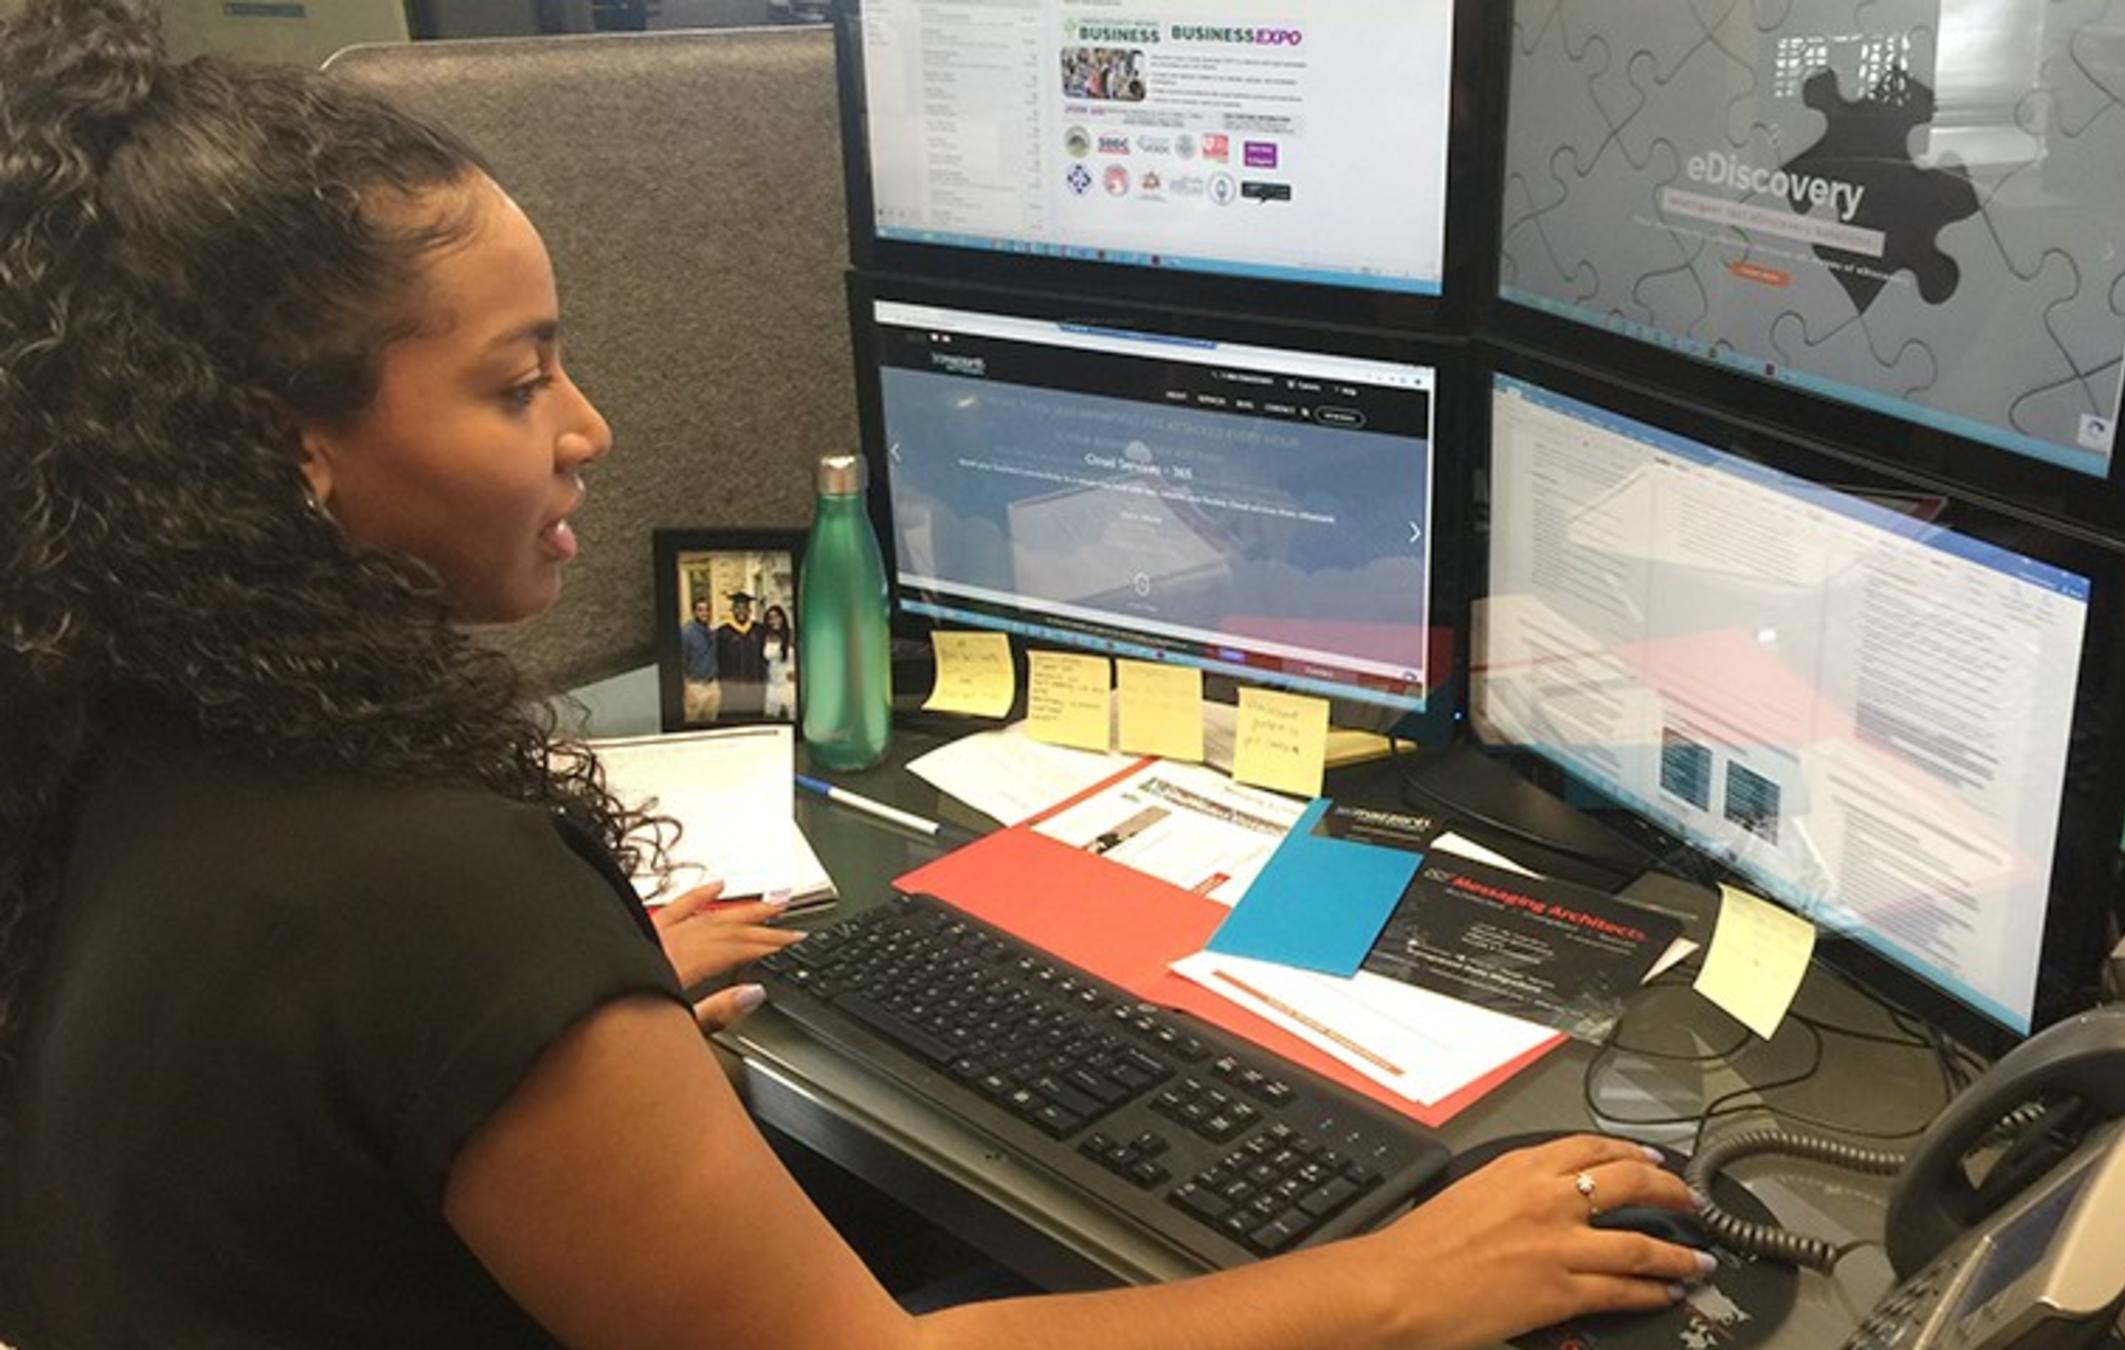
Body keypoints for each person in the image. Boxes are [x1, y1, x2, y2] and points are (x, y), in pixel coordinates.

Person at [0, 4, 1710, 1347]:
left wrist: (573, 1032)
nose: (590, 428)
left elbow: (331, 1075)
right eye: (519, 386)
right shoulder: (423, 897)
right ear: (275, 452)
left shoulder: (135, 729)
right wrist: (1410, 1282)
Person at [713, 588, 769, 718]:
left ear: (749, 610)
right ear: (732, 610)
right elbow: (718, 659)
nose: (741, 611)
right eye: (737, 608)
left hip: (755, 683)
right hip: (732, 685)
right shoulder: (723, 632)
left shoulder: (759, 630)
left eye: (744, 608)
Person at [681, 594, 722, 723]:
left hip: (713, 686)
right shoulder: (686, 633)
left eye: (707, 610)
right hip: (695, 687)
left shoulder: (712, 633)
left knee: (711, 725)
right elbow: (681, 662)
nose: (705, 613)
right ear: (694, 612)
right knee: (693, 726)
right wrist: (687, 689)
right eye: (700, 610)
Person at [761, 602, 798, 720]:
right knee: (772, 718)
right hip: (773, 684)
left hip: (789, 683)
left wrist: (797, 672)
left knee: (790, 716)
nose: (774, 621)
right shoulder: (766, 637)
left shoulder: (792, 635)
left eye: (777, 617)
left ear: (782, 618)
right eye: (770, 618)